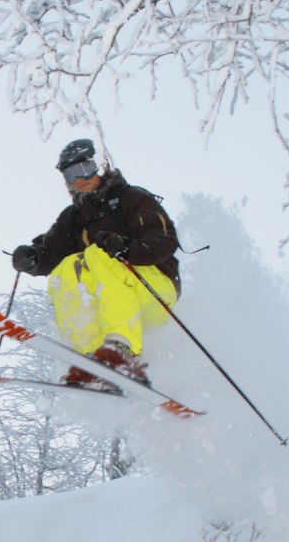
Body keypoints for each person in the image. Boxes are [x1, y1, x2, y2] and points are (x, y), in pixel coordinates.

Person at [11, 138, 180, 385]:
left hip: (155, 290)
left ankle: (121, 350)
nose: (79, 179)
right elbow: (51, 252)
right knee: (64, 269)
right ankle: (94, 359)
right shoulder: (72, 219)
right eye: (70, 174)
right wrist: (33, 258)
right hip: (118, 303)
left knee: (96, 254)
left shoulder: (130, 198)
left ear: (99, 166)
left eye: (85, 168)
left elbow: (164, 239)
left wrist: (126, 248)